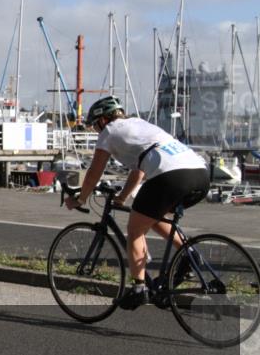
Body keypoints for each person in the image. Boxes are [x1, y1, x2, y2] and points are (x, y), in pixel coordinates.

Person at [65, 96, 209, 309]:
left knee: (134, 230)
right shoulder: (139, 125)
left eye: (95, 126)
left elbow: (95, 170)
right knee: (150, 216)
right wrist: (122, 197)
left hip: (171, 176)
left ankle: (139, 289)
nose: (96, 131)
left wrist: (81, 198)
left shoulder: (110, 131)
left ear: (103, 120)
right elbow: (138, 171)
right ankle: (190, 255)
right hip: (199, 173)